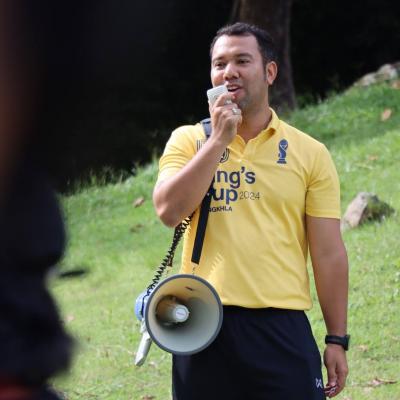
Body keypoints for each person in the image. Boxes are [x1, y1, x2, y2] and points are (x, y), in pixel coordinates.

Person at [153, 22, 349, 400]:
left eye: (242, 61)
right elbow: (167, 211)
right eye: (220, 64)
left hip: (281, 326)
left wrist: (336, 338)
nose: (229, 72)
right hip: (201, 323)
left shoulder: (310, 153)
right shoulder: (189, 140)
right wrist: (218, 141)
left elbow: (328, 253)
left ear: (270, 72)